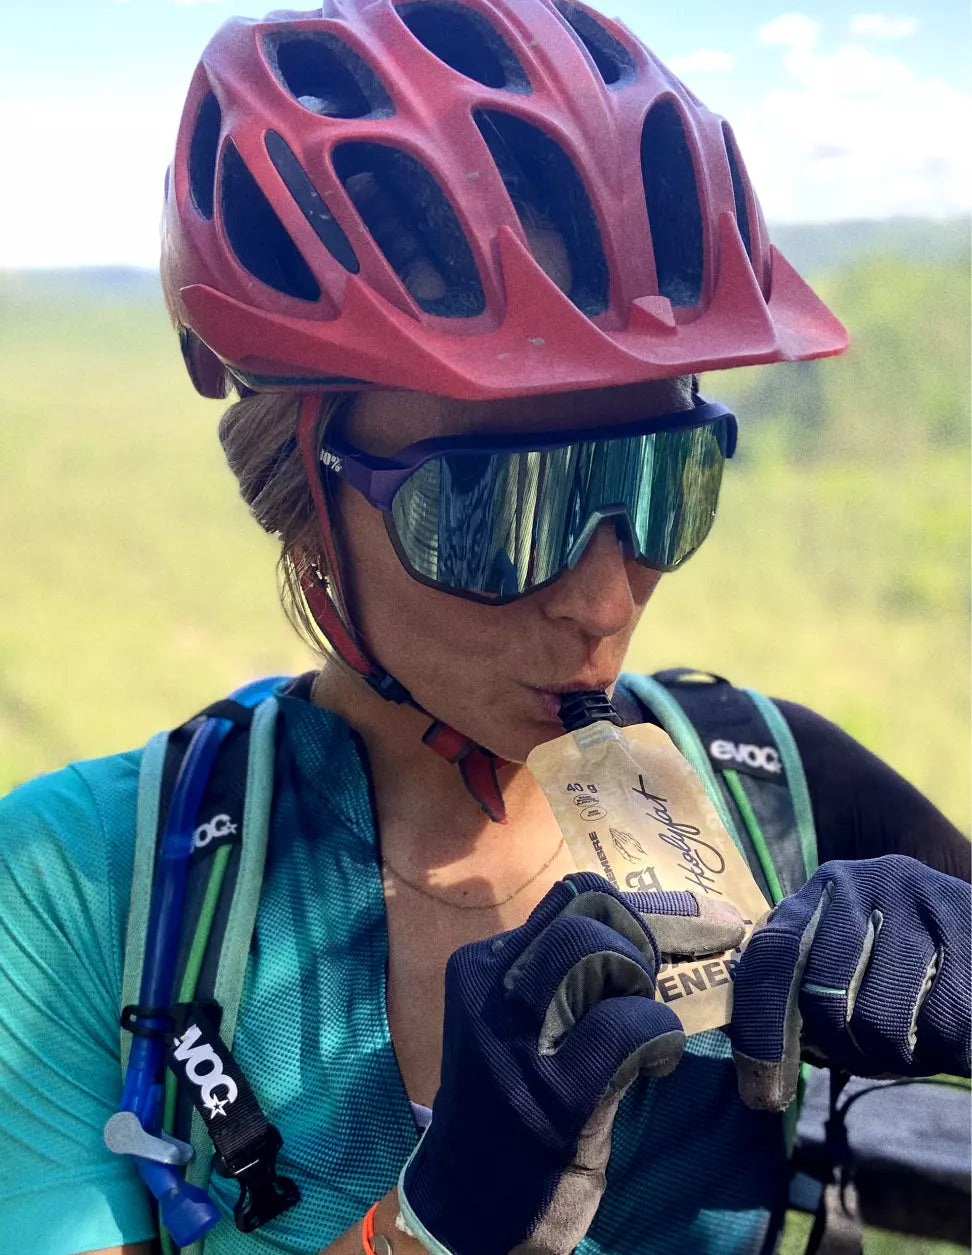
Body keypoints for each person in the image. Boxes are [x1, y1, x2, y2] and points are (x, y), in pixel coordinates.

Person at [1, 2, 969, 1254]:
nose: (608, 599)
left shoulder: (779, 783)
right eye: (500, 512)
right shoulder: (77, 893)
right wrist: (429, 1225)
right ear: (301, 503)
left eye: (664, 486)